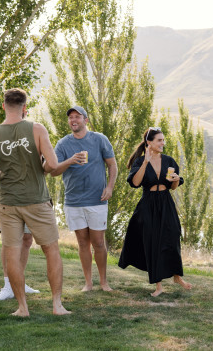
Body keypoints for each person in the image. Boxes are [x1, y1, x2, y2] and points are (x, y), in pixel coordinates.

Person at [0, 88, 70, 316]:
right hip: (36, 200)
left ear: (4, 106)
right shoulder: (37, 129)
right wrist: (41, 165)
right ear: (24, 107)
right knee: (51, 250)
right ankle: (57, 305)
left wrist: (3, 171)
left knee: (12, 253)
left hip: (8, 203)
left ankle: (22, 308)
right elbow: (52, 165)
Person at [118, 127, 192, 297]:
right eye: (159, 140)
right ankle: (158, 285)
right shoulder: (140, 161)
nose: (162, 143)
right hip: (148, 204)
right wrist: (145, 162)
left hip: (166, 202)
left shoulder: (169, 160)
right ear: (149, 142)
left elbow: (173, 187)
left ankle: (177, 277)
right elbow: (136, 183)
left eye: (163, 140)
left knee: (173, 237)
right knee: (153, 241)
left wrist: (176, 180)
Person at [51, 106, 117, 292]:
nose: (73, 120)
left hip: (97, 200)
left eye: (77, 117)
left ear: (85, 120)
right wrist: (70, 161)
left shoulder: (99, 139)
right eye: (70, 117)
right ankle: (88, 283)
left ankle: (103, 282)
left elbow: (112, 165)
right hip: (74, 202)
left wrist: (110, 187)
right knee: (82, 243)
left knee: (98, 242)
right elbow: (54, 171)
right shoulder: (63, 144)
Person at [0, 183, 40, 300]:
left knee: (27, 239)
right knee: (8, 240)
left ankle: (19, 282)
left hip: (30, 198)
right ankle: (8, 285)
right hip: (8, 197)